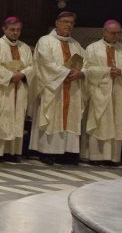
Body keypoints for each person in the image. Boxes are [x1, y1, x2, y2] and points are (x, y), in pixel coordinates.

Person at [30, 10, 86, 164]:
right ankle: (48, 152)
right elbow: (45, 63)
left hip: (72, 89)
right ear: (57, 23)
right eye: (65, 22)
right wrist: (66, 72)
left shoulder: (76, 44)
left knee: (71, 118)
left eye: (71, 23)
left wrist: (81, 73)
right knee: (53, 117)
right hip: (53, 89)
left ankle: (68, 152)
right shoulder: (45, 41)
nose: (68, 25)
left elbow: (86, 63)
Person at [81, 19, 122, 166]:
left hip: (118, 92)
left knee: (115, 123)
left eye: (119, 33)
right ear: (104, 32)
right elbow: (87, 70)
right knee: (99, 122)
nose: (116, 36)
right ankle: (95, 156)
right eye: (113, 33)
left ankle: (113, 157)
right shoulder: (93, 48)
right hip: (99, 92)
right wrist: (107, 71)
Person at [0, 16, 34, 160]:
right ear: (4, 29)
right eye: (12, 30)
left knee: (15, 119)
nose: (15, 33)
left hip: (18, 88)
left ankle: (11, 152)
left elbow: (32, 66)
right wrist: (10, 76)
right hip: (2, 89)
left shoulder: (25, 48)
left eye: (18, 30)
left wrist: (22, 74)